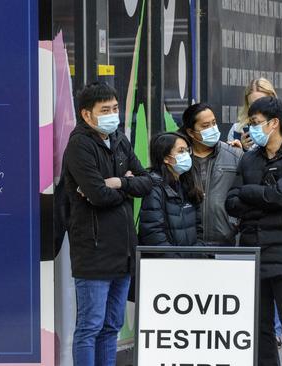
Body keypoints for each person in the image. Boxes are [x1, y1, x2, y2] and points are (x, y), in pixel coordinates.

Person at [63, 82, 152, 365]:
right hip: (94, 250)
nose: (113, 114)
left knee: (111, 326)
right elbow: (98, 196)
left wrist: (119, 183)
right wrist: (125, 188)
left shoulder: (119, 139)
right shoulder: (79, 145)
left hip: (123, 250)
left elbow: (148, 181)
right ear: (86, 115)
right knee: (90, 326)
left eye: (115, 108)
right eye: (105, 110)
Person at [226, 97, 282, 366]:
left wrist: (251, 194)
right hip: (253, 251)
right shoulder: (250, 159)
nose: (251, 129)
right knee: (260, 325)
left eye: (255, 123)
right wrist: (263, 200)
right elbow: (231, 202)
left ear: (274, 123)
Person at [180, 103, 243, 246]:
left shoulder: (234, 154)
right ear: (191, 132)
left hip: (227, 242)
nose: (212, 129)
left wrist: (234, 224)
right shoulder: (181, 159)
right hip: (189, 244)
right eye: (205, 126)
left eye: (213, 123)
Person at [138, 132, 203, 253]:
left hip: (190, 262)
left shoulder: (187, 185)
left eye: (187, 150)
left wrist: (197, 255)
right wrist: (173, 260)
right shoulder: (154, 187)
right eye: (181, 151)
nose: (187, 155)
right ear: (166, 158)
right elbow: (153, 233)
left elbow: (198, 228)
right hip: (167, 265)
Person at [228, 77, 278, 151]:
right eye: (253, 104)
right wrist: (241, 149)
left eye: (262, 102)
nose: (258, 108)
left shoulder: (281, 127)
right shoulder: (237, 130)